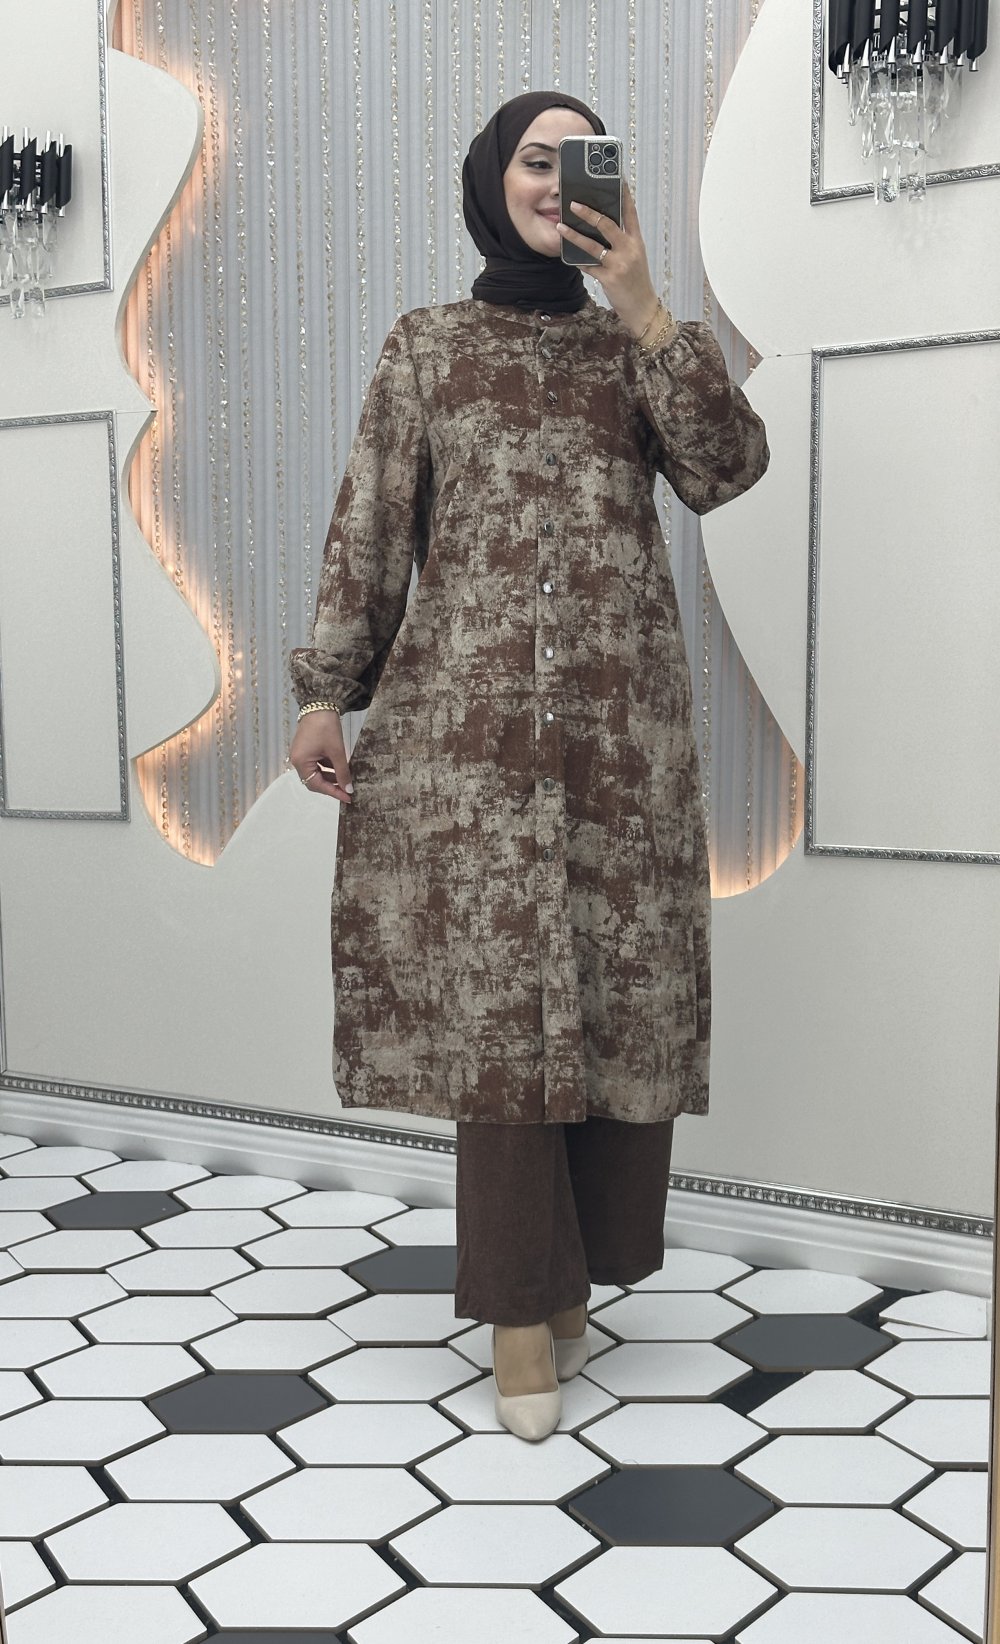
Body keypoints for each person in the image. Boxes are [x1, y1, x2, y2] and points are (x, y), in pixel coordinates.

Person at [289, 90, 769, 1443]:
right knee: (505, 1016)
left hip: (621, 743)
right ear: (493, 180)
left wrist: (648, 306)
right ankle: (516, 1310)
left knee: (614, 999)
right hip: (472, 747)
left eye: (582, 163)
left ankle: (575, 1276)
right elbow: (372, 529)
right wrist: (327, 690)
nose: (559, 183)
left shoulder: (634, 347)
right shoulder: (428, 347)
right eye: (536, 161)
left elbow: (729, 467)